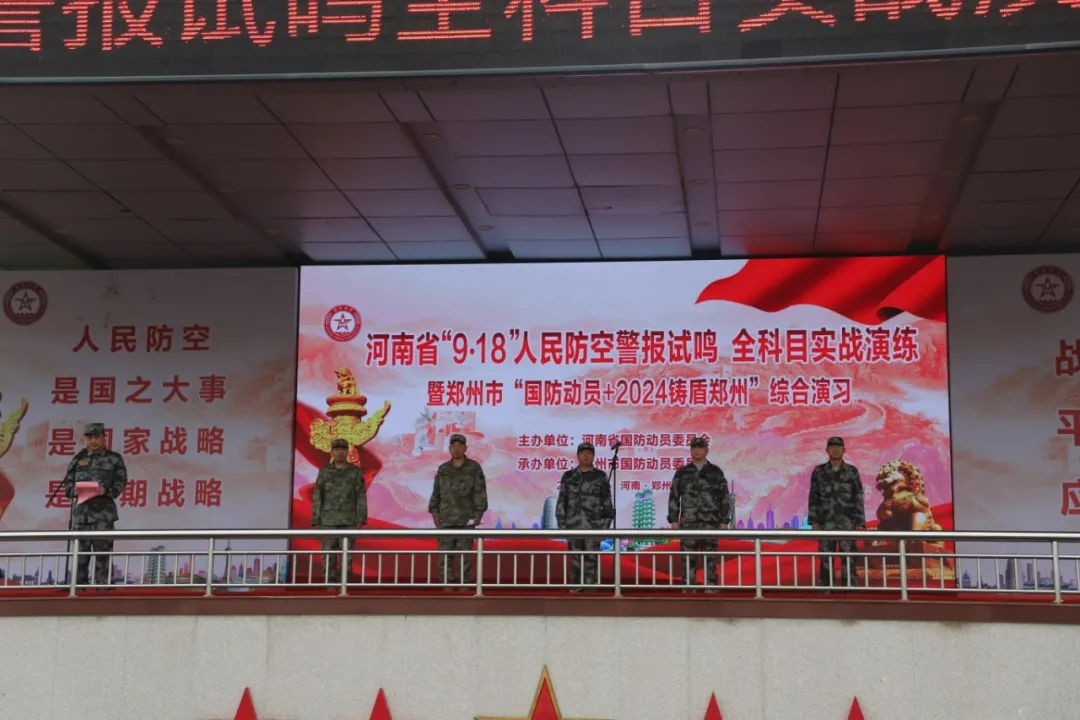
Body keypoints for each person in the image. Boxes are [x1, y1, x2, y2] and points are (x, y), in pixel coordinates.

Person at [62, 423, 128, 586]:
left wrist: (105, 490)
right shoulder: (79, 458)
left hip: (103, 515)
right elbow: (67, 482)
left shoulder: (114, 459)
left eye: (97, 437)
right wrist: (72, 490)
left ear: (104, 438)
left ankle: (103, 588)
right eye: (90, 437)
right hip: (81, 515)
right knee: (80, 555)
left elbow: (121, 482)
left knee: (103, 554)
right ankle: (77, 587)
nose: (93, 441)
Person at [668, 436, 730, 592]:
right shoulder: (682, 472)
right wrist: (674, 520)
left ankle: (711, 587)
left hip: (711, 521)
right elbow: (674, 496)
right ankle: (689, 587)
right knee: (688, 557)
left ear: (706, 450)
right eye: (693, 447)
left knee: (711, 557)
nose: (696, 450)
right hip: (689, 522)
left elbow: (724, 497)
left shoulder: (715, 472)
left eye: (700, 447)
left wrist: (724, 521)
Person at [428, 433, 488, 587]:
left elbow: (480, 493)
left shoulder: (474, 468)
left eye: (460, 445)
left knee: (464, 556)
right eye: (453, 446)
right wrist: (435, 513)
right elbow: (436, 494)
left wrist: (478, 515)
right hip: (445, 520)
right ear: (449, 448)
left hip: (466, 520)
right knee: (444, 556)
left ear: (465, 448)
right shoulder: (443, 469)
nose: (456, 449)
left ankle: (463, 585)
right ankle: (446, 585)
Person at [807, 436, 865, 591]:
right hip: (825, 522)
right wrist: (814, 522)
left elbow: (858, 496)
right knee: (826, 558)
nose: (836, 450)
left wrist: (860, 522)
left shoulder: (852, 471)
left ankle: (850, 588)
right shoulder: (819, 471)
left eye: (839, 447)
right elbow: (813, 496)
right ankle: (827, 588)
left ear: (844, 450)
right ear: (827, 450)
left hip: (848, 522)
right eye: (832, 447)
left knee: (849, 557)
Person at [556, 441, 613, 592]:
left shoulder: (600, 476)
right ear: (577, 456)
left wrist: (604, 527)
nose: (586, 456)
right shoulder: (568, 476)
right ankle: (575, 590)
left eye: (589, 453)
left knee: (591, 562)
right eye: (582, 453)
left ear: (593, 456)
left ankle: (590, 592)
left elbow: (607, 503)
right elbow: (562, 501)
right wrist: (562, 526)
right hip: (573, 526)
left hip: (593, 527)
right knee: (575, 561)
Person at [311, 438, 367, 583]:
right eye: (336, 449)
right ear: (332, 452)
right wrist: (316, 518)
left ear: (347, 452)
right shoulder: (324, 471)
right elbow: (318, 494)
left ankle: (344, 583)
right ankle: (329, 583)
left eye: (343, 449)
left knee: (347, 556)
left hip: (349, 520)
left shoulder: (355, 472)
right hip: (328, 520)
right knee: (328, 555)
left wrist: (361, 518)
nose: (340, 452)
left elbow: (361, 495)